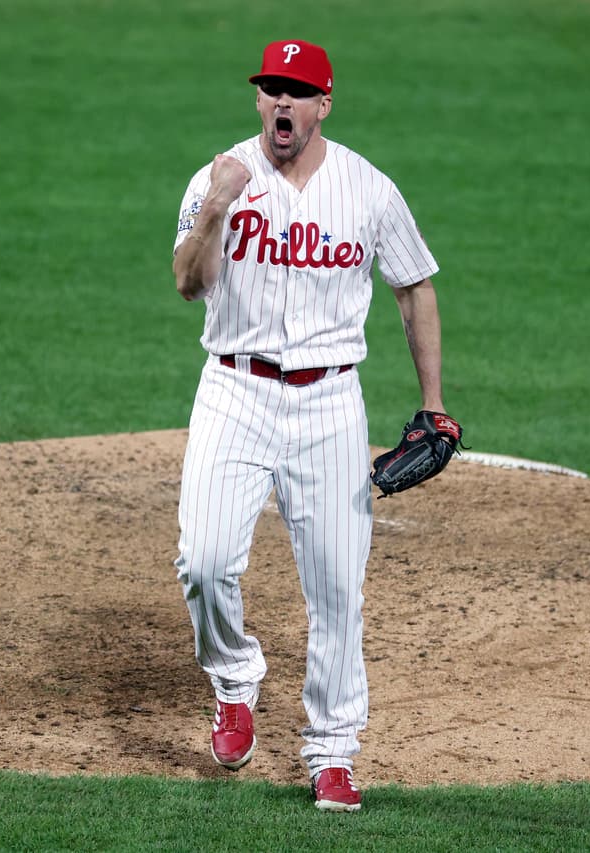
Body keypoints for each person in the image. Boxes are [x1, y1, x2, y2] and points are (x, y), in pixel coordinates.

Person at [171, 38, 449, 812]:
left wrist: (433, 402)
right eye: (272, 90)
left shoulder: (367, 189)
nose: (282, 103)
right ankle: (234, 679)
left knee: (336, 588)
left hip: (329, 405)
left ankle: (331, 753)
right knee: (204, 561)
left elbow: (414, 286)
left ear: (324, 103)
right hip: (234, 391)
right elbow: (187, 283)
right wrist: (220, 207)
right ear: (259, 98)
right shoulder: (217, 177)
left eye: (299, 92)